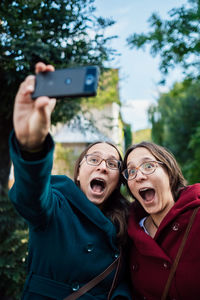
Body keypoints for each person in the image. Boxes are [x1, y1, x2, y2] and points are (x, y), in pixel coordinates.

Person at [9, 62, 132, 300]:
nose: (102, 167)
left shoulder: (127, 222)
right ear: (78, 172)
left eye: (112, 163)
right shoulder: (56, 205)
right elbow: (30, 196)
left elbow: (126, 279)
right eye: (93, 159)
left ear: (118, 180)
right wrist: (32, 148)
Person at [122, 141, 200, 300]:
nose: (139, 176)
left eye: (148, 166)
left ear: (169, 171)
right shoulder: (129, 234)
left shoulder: (196, 216)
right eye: (131, 171)